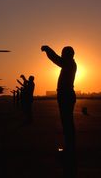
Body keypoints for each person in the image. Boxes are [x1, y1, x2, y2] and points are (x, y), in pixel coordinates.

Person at [41, 45, 77, 177]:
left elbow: (55, 59)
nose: (61, 55)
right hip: (66, 95)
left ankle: (70, 150)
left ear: (67, 54)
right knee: (67, 122)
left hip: (66, 95)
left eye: (63, 53)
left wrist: (47, 49)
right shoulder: (70, 63)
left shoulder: (68, 63)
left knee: (67, 122)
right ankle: (70, 148)